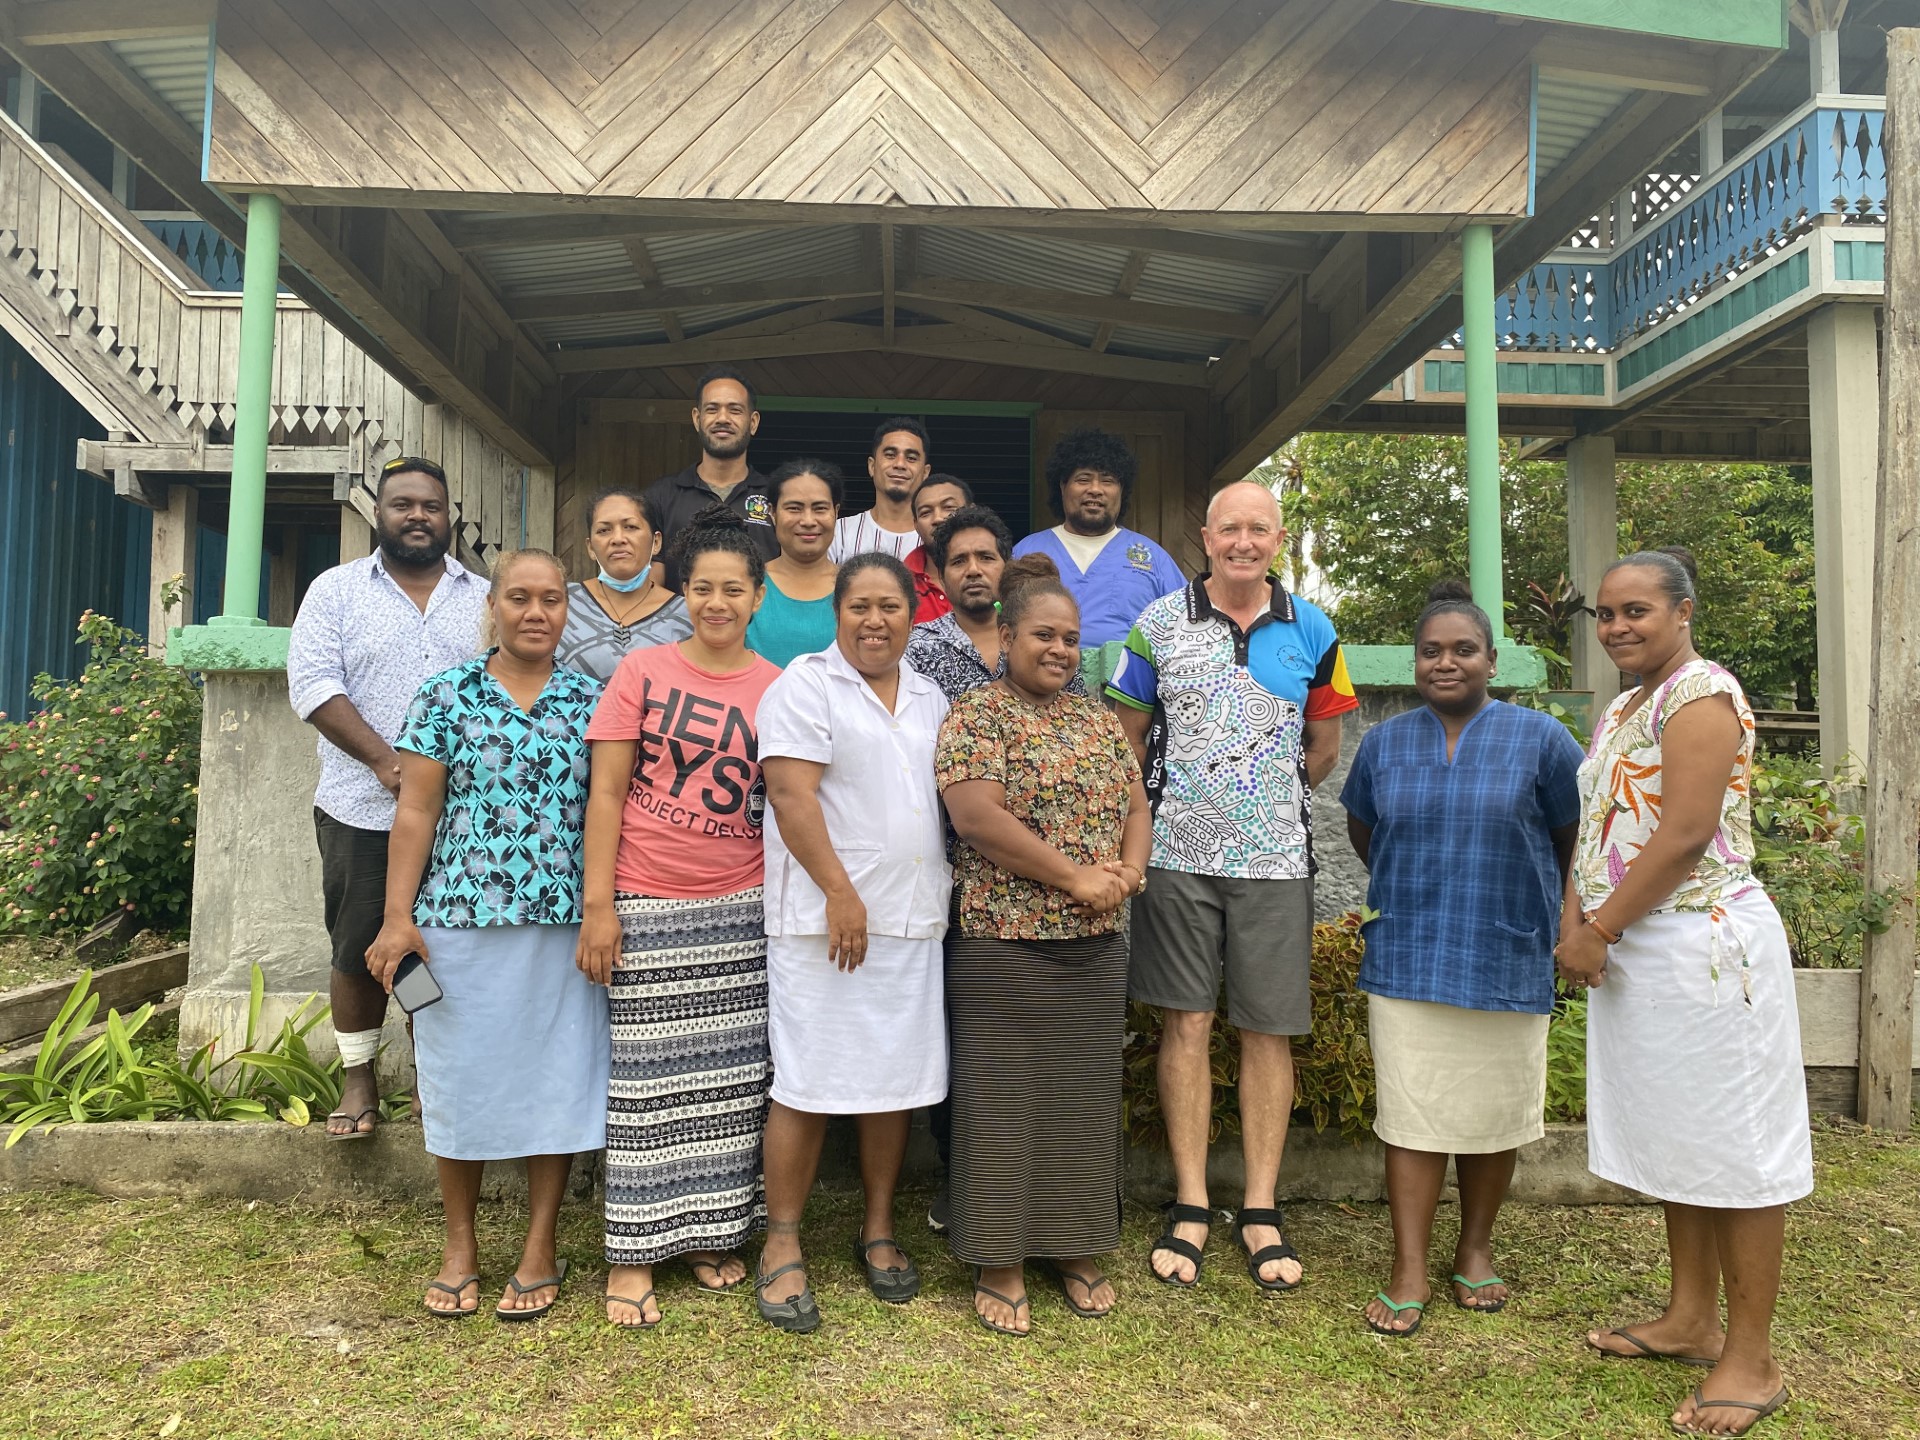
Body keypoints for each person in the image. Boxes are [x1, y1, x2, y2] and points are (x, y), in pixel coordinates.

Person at [1560, 549, 1810, 1438]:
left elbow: (1688, 832)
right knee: (1682, 1135)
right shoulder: (1627, 704)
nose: (1619, 626)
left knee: (1737, 1151)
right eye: (1606, 613)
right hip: (1643, 945)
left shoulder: (1700, 694)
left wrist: (1599, 929)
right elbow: (1597, 825)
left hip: (1707, 947)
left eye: (1638, 611)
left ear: (1684, 612)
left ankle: (1753, 1357)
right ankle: (1691, 1319)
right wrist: (1575, 919)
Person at [1107, 480, 1357, 1295]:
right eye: (1229, 529)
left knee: (1266, 1032)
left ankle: (1258, 1205)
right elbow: (1126, 738)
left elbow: (1324, 739)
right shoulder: (1156, 626)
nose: (1243, 542)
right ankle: (1188, 1200)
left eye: (1259, 529)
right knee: (1185, 1024)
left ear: (1278, 539)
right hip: (1176, 857)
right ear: (1204, 536)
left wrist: (1264, 800)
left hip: (1276, 863)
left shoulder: (1313, 628)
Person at [364, 549, 609, 1321]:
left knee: (557, 1081)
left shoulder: (593, 701)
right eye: (520, 598)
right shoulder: (445, 695)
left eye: (552, 599)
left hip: (562, 924)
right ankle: (461, 1245)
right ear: (494, 606)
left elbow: (605, 813)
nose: (537, 612)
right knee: (461, 1082)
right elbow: (416, 812)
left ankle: (541, 1245)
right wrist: (397, 915)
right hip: (461, 921)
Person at [1340, 581, 1584, 1338]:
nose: (1446, 662)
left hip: (1506, 946)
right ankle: (1408, 1265)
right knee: (1412, 1115)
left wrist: (1557, 916)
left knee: (1494, 1114)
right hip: (1410, 948)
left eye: (1463, 650)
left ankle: (1473, 1250)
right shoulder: (1384, 742)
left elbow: (1574, 837)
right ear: (1416, 662)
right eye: (1431, 651)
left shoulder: (1541, 740)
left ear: (1492, 660)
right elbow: (1363, 831)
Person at [579, 507, 784, 1329]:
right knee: (646, 1085)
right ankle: (632, 1253)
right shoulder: (643, 673)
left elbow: (784, 804)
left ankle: (711, 1231)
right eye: (702, 587)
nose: (717, 601)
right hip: (647, 896)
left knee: (730, 1087)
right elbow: (607, 791)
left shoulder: (778, 687)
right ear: (683, 591)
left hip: (741, 904)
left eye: (734, 588)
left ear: (759, 596)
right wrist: (600, 905)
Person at [935, 557, 1151, 1336]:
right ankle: (999, 1258)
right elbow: (977, 819)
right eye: (1043, 635)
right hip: (1004, 943)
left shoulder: (1093, 715)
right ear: (1007, 635)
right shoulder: (976, 715)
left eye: (1070, 637)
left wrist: (1128, 867)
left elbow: (1132, 797)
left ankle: (1075, 1245)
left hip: (1095, 945)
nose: (1059, 649)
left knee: (1080, 1100)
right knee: (1004, 1101)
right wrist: (1073, 878)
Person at [753, 553, 951, 1333]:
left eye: (890, 607)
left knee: (893, 1082)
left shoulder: (932, 695)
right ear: (837, 613)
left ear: (911, 615)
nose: (876, 620)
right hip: (824, 922)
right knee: (807, 1080)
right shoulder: (805, 683)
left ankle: (878, 1230)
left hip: (910, 919)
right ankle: (783, 1243)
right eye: (860, 606)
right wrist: (840, 892)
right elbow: (790, 793)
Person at [287, 454, 487, 1139]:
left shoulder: (484, 597)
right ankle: (359, 1077)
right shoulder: (336, 592)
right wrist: (385, 760)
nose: (417, 516)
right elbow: (312, 685)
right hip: (361, 806)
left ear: (448, 514)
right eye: (403, 504)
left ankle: (435, 1073)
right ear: (378, 513)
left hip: (462, 815)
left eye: (430, 505)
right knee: (361, 944)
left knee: (437, 946)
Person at [1012, 426, 1185, 653]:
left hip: (1127, 686)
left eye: (1107, 481)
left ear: (1122, 490)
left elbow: (1187, 626)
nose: (1095, 490)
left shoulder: (1152, 557)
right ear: (1063, 486)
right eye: (1083, 479)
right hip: (1040, 684)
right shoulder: (1026, 551)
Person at [642, 366, 778, 587]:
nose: (722, 418)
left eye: (735, 410)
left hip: (760, 622)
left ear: (753, 423)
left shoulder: (777, 496)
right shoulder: (660, 497)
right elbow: (651, 586)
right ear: (697, 419)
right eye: (712, 409)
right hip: (680, 622)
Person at [555, 487, 691, 680]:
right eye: (604, 530)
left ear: (657, 542)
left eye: (631, 527)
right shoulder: (561, 603)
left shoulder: (687, 614)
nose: (618, 539)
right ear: (590, 548)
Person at [746, 460, 842, 668]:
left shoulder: (854, 587)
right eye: (794, 508)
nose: (808, 520)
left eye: (819, 509)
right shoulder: (747, 584)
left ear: (836, 512)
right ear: (772, 513)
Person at [828, 417, 930, 563]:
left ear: (925, 473)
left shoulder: (938, 538)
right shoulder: (838, 533)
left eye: (911, 458)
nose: (900, 464)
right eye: (890, 455)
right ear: (872, 466)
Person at [903, 473, 969, 622]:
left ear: (971, 511)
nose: (938, 518)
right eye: (926, 512)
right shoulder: (899, 582)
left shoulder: (999, 576)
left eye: (948, 507)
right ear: (916, 524)